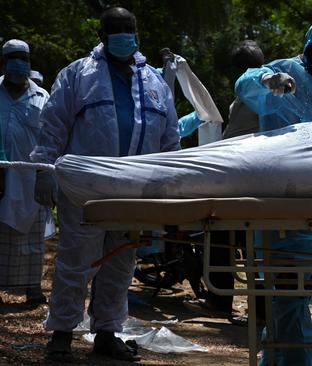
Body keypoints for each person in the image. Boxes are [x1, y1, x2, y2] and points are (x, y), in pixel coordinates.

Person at [31, 7, 180, 362]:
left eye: (128, 29)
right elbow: (53, 126)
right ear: (102, 35)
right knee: (76, 260)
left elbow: (170, 139)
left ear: (137, 35)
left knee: (121, 262)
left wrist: (171, 185)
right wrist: (43, 170)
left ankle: (107, 332)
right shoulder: (78, 75)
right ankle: (62, 335)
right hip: (86, 187)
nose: (123, 36)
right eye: (115, 30)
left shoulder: (156, 82)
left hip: (134, 188)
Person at [235, 14, 312, 365]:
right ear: (306, 46)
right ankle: (290, 360)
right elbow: (246, 84)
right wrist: (267, 80)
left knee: (299, 288)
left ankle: (282, 359)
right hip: (284, 196)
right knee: (288, 284)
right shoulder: (285, 70)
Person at [182, 40, 266, 325]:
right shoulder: (262, 92)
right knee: (253, 247)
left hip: (250, 185)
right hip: (258, 183)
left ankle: (222, 301)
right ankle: (256, 310)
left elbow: (235, 143)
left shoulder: (251, 95)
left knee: (223, 234)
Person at [0, 39, 49, 305]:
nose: (19, 63)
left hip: (31, 178)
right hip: (0, 175)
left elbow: (51, 138)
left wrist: (46, 175)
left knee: (32, 237)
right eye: (13, 58)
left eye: (24, 59)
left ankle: (32, 288)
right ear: (4, 62)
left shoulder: (42, 96)